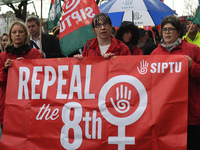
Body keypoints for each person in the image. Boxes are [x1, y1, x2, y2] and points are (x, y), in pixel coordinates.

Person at [151, 15, 200, 150]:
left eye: (171, 29)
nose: (167, 32)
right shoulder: (155, 54)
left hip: (189, 114)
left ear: (179, 32)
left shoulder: (193, 50)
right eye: (164, 29)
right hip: (165, 114)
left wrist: (192, 65)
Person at [0, 20, 42, 137]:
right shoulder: (2, 56)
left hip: (28, 103)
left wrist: (27, 66)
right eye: (14, 32)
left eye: (20, 32)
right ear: (10, 36)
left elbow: (41, 77)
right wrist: (5, 70)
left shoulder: (34, 53)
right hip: (8, 104)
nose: (17, 34)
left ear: (25, 34)